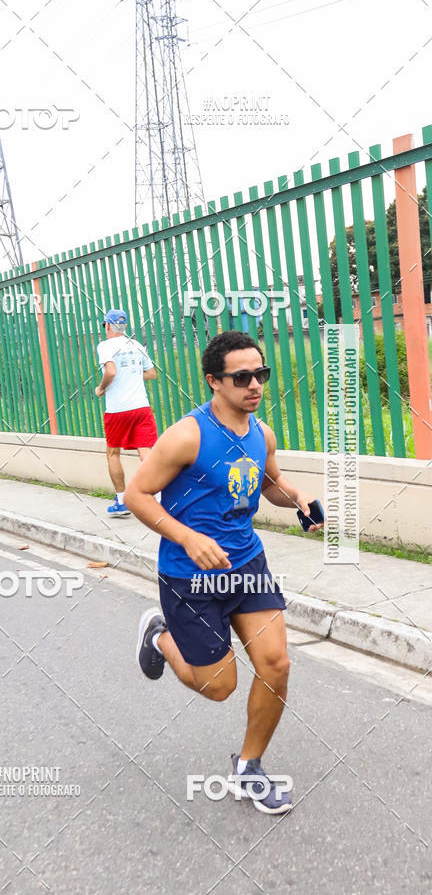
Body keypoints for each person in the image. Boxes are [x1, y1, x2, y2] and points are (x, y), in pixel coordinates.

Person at [126, 330, 324, 814]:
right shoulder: (187, 435)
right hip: (190, 575)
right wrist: (187, 536)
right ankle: (159, 637)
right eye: (242, 376)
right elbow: (135, 495)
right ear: (214, 381)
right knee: (219, 686)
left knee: (276, 664)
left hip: (246, 564)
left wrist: (297, 498)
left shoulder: (261, 433)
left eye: (261, 373)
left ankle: (248, 770)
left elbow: (269, 483)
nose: (254, 384)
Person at [95, 308, 159, 516]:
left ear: (107, 325)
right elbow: (151, 373)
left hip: (117, 410)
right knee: (146, 451)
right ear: (123, 326)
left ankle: (122, 501)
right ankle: (159, 498)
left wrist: (102, 388)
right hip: (141, 406)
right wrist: (131, 377)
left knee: (113, 453)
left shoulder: (105, 346)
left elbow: (111, 371)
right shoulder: (136, 344)